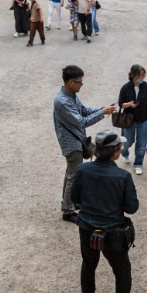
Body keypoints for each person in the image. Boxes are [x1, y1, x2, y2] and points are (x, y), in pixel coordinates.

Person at [70, 129, 142, 293]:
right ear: (115, 152)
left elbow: (74, 198)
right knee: (122, 271)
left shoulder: (82, 170)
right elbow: (132, 208)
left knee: (88, 264)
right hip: (113, 232)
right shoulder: (122, 176)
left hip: (87, 228)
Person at [53, 65, 116, 223]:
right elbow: (81, 121)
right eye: (79, 82)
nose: (82, 85)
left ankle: (69, 202)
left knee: (71, 174)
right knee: (73, 176)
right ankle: (68, 211)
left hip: (76, 140)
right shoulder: (63, 101)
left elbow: (84, 110)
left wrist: (102, 109)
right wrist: (102, 113)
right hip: (71, 143)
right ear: (71, 82)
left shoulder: (71, 95)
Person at [117, 64, 147, 175]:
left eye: (143, 75)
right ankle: (124, 152)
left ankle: (138, 164)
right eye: (139, 75)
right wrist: (129, 104)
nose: (142, 77)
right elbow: (120, 104)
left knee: (142, 144)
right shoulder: (125, 88)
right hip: (129, 120)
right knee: (127, 141)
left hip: (143, 120)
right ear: (133, 75)